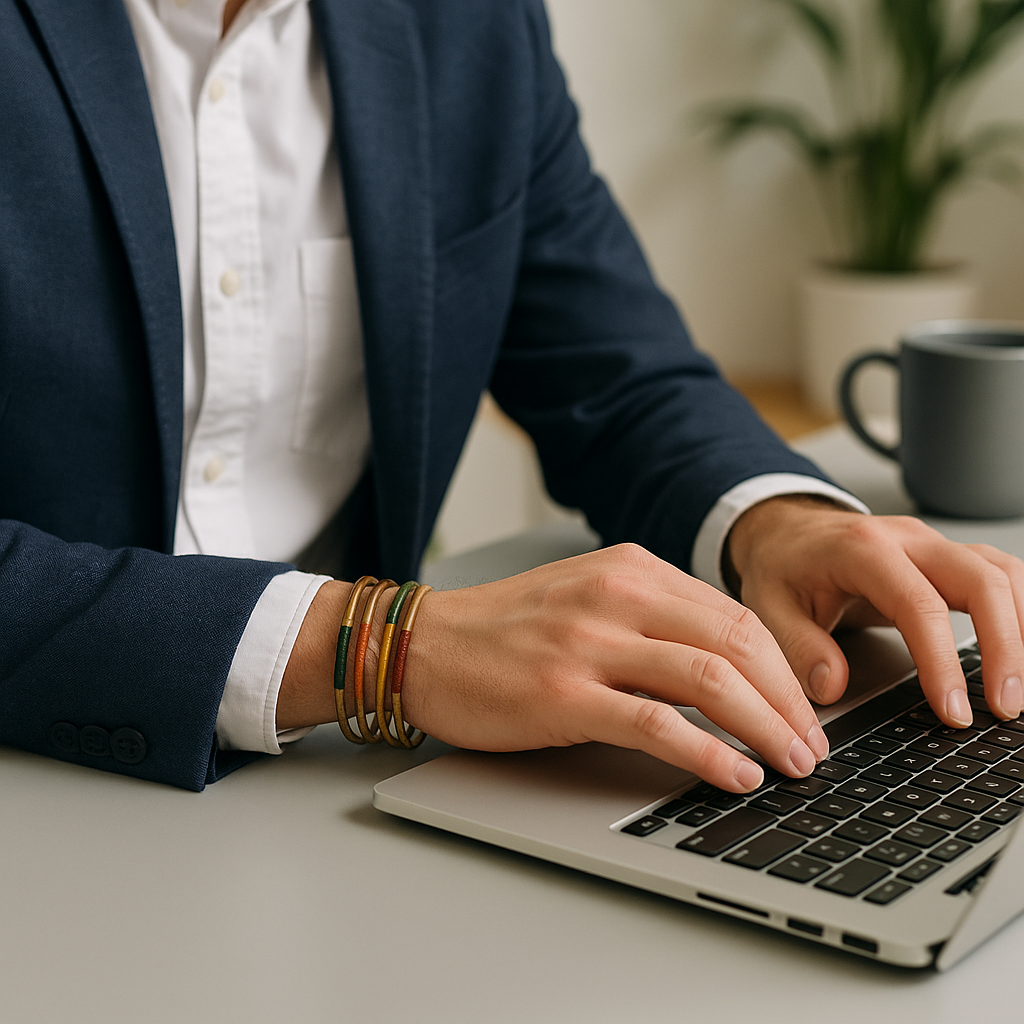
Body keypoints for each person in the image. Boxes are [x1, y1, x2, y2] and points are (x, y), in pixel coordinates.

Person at [2, 0, 1022, 794]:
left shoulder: (469, 24)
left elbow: (615, 370)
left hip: (342, 788)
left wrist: (777, 522)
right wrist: (379, 648)